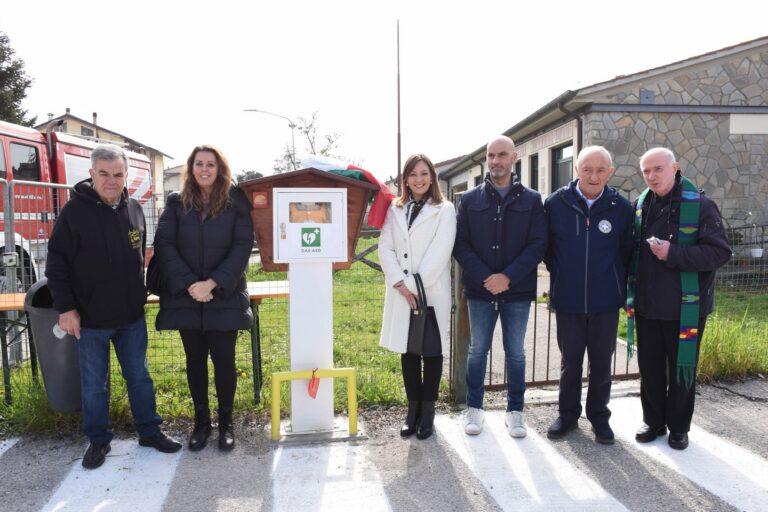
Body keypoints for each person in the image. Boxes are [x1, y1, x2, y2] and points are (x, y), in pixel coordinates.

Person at [46, 144, 181, 470]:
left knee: (140, 378)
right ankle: (98, 440)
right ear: (91, 174)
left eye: (118, 174)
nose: (111, 180)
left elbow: (139, 255)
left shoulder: (134, 209)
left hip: (130, 317)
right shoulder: (74, 213)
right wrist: (66, 309)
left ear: (126, 175)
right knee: (95, 386)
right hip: (90, 320)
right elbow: (56, 264)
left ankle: (149, 432)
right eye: (104, 174)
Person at [628, 147, 731, 450]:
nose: (651, 176)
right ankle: (653, 421)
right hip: (647, 304)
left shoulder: (701, 206)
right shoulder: (640, 206)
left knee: (682, 370)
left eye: (658, 169)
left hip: (685, 307)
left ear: (675, 168)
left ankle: (679, 427)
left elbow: (719, 253)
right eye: (646, 171)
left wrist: (673, 253)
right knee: (650, 369)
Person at [154, 145, 254, 452]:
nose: (205, 169)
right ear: (191, 168)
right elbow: (164, 244)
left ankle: (226, 424)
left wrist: (212, 283)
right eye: (199, 164)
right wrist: (191, 285)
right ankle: (201, 424)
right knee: (194, 362)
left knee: (225, 363)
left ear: (220, 168)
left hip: (224, 296)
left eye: (211, 164)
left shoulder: (236, 202)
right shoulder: (176, 202)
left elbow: (241, 247)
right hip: (187, 298)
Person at [454, 135, 547, 437]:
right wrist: (487, 277)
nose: (496, 161)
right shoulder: (470, 200)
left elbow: (538, 244)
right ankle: (474, 409)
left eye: (502, 155)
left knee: (516, 352)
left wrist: (507, 276)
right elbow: (461, 245)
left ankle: (515, 411)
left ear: (514, 157)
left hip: (516, 291)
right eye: (491, 155)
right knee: (477, 350)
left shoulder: (532, 200)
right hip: (480, 290)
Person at [543, 146, 633, 444]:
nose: (593, 176)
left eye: (600, 170)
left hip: (605, 302)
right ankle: (567, 416)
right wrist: (564, 275)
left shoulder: (621, 207)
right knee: (570, 362)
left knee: (601, 363)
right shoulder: (556, 203)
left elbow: (627, 252)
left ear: (610, 172)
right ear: (576, 170)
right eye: (587, 169)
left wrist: (615, 283)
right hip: (568, 300)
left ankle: (599, 417)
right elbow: (547, 250)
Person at [379, 154, 456, 440]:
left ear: (432, 177)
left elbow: (440, 252)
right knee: (409, 351)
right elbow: (385, 247)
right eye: (413, 174)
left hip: (430, 291)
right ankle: (412, 411)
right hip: (402, 293)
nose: (419, 179)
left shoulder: (444, 209)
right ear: (405, 179)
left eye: (424, 174)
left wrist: (412, 285)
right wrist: (400, 284)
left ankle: (428, 413)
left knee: (432, 352)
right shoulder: (395, 208)